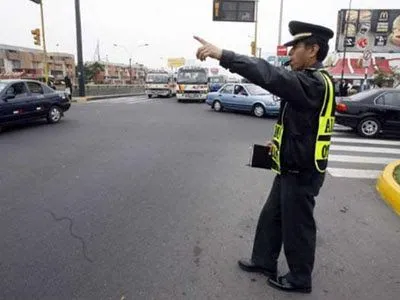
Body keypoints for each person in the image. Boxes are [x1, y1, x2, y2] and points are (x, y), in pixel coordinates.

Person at [194, 20, 335, 294]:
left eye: (295, 48)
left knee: (298, 226)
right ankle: (263, 261)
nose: (290, 54)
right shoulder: (309, 83)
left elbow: (269, 75)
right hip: (291, 164)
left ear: (313, 50)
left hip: (302, 170)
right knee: (272, 216)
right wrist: (278, 142)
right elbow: (304, 124)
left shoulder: (312, 84)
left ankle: (299, 278)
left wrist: (224, 55)